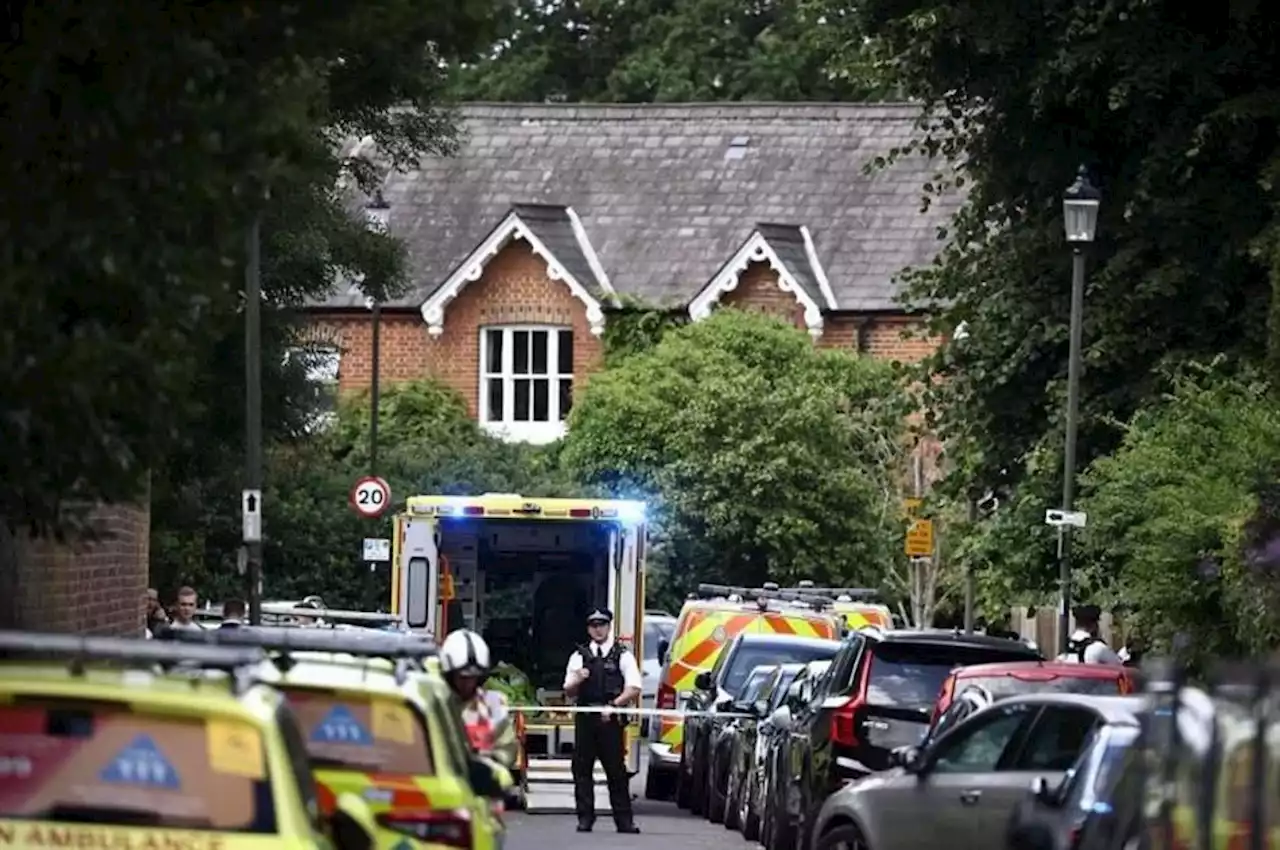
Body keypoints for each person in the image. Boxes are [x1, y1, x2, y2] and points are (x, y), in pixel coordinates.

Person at [563, 608, 642, 834]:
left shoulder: (622, 655)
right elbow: (568, 691)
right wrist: (577, 679)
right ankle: (585, 819)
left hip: (611, 720)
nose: (598, 629)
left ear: (609, 626)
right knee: (582, 770)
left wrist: (615, 705)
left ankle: (624, 822)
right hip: (586, 718)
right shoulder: (579, 656)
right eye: (593, 625)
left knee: (616, 772)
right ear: (588, 628)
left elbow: (634, 687)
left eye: (602, 624)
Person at [1058, 604, 1122, 664]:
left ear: (1076, 623)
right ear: (1094, 625)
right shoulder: (1099, 648)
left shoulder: (1066, 648)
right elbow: (1119, 666)